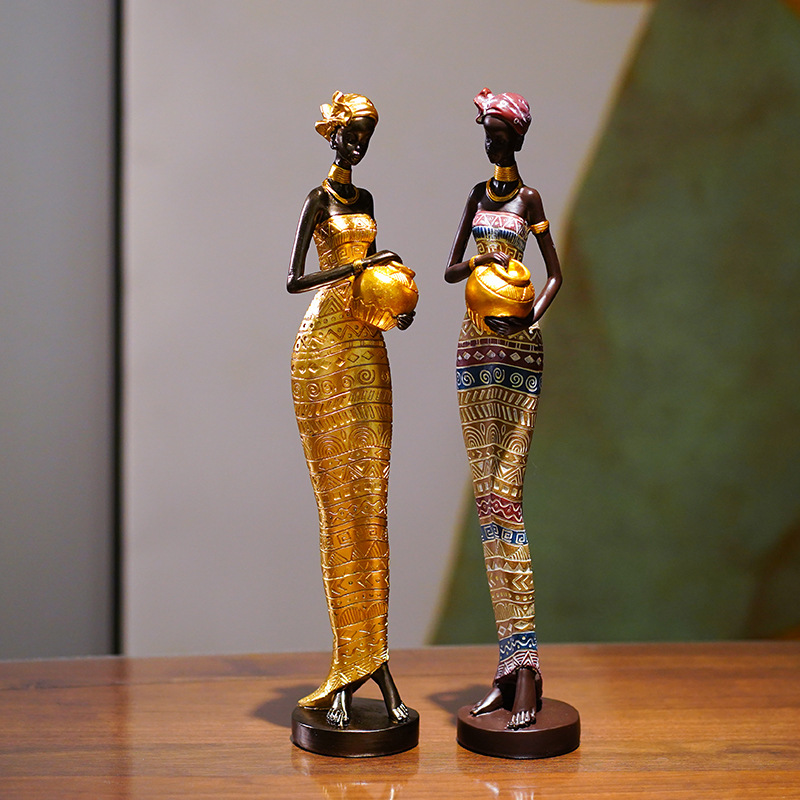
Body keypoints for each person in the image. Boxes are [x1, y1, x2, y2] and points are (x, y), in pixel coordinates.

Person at [287, 92, 413, 729]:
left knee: (372, 502)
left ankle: (374, 659)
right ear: (333, 135)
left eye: (366, 136)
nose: (358, 145)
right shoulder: (320, 200)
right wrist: (358, 267)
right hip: (324, 347)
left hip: (366, 344)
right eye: (352, 133)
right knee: (338, 505)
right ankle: (347, 666)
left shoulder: (365, 200)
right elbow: (294, 280)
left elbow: (373, 278)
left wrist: (396, 298)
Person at [445, 88, 562, 730]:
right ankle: (510, 667)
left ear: (518, 137)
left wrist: (525, 314)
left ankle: (529, 668)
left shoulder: (530, 200)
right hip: (473, 345)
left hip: (517, 347)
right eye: (486, 131)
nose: (492, 140)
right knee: (486, 507)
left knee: (506, 500)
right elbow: (450, 269)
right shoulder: (476, 195)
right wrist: (482, 263)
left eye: (500, 131)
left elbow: (555, 274)